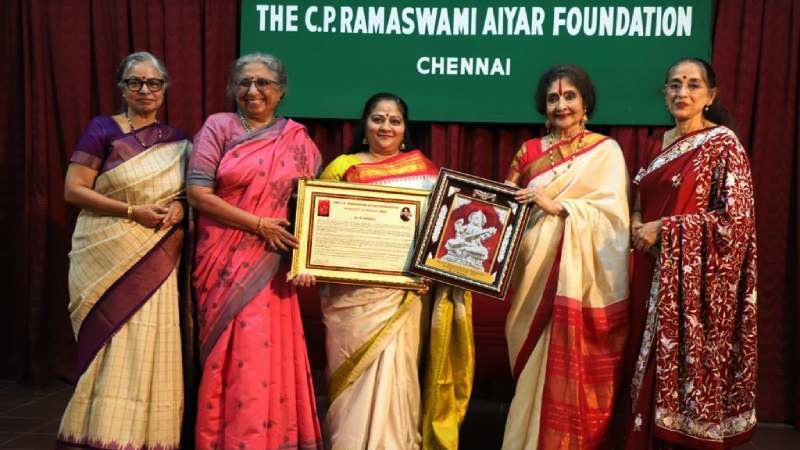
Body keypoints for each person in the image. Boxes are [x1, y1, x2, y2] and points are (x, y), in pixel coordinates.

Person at [308, 92, 473, 450]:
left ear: (404, 129)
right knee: (353, 383)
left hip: (406, 295)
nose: (386, 127)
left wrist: (435, 270)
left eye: (394, 121)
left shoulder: (425, 172)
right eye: (378, 119)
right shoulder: (341, 168)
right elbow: (318, 230)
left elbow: (440, 233)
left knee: (399, 380)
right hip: (352, 298)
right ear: (364, 126)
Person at [619, 57, 757, 449]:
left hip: (694, 286)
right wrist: (636, 221)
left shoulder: (723, 144)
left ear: (710, 96)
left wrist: (665, 229)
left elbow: (735, 221)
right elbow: (637, 196)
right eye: (675, 85)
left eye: (693, 85)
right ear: (664, 94)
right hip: (648, 271)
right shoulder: (653, 144)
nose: (683, 92)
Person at [187, 53, 323, 450]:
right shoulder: (219, 126)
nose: (252, 91)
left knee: (263, 354)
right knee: (226, 355)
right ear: (233, 88)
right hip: (222, 261)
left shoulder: (299, 141)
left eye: (263, 83)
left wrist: (307, 257)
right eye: (244, 83)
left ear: (280, 92)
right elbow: (197, 193)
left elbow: (311, 210)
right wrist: (258, 224)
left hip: (271, 266)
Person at [57, 51, 189, 450]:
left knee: (151, 340)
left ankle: (149, 433)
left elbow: (185, 194)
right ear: (122, 88)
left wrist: (181, 205)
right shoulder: (102, 130)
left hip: (155, 252)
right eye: (136, 82)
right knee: (109, 337)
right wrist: (133, 210)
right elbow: (73, 189)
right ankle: (96, 428)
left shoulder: (179, 142)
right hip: (105, 249)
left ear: (164, 89)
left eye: (154, 83)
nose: (145, 90)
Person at [502, 65, 630, 449]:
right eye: (553, 98)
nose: (561, 105)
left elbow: (614, 219)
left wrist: (559, 207)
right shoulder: (528, 152)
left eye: (570, 96)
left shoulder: (605, 151)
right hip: (532, 271)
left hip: (577, 279)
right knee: (530, 372)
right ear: (543, 105)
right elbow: (504, 207)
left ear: (586, 103)